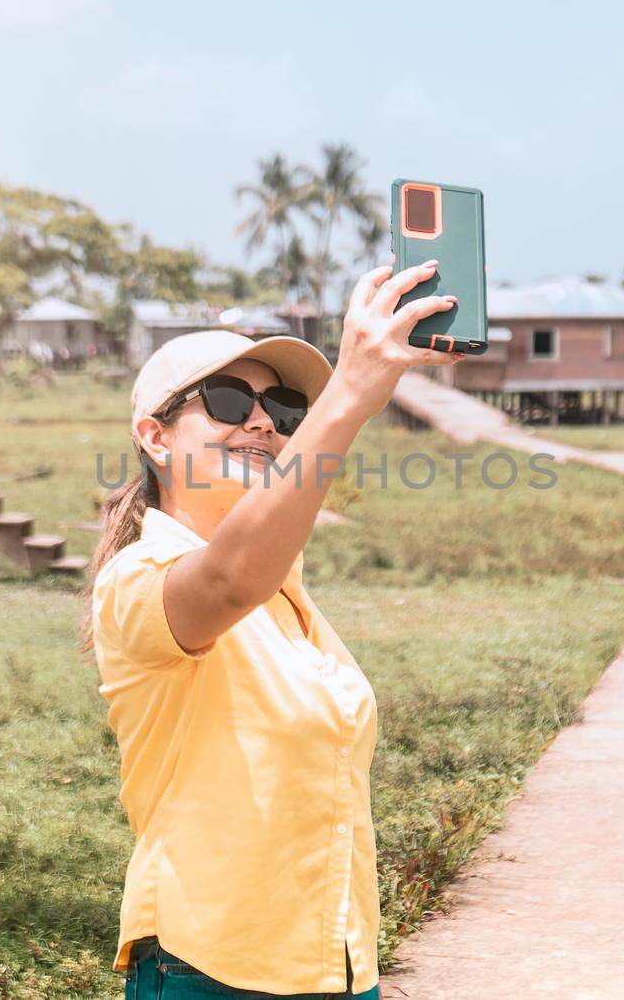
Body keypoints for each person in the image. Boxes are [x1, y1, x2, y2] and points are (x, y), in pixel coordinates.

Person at [79, 259, 463, 998]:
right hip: (211, 970)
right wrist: (346, 395)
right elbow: (226, 577)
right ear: (155, 437)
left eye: (283, 409)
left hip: (334, 968)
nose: (261, 422)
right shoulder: (139, 578)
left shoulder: (288, 597)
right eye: (226, 399)